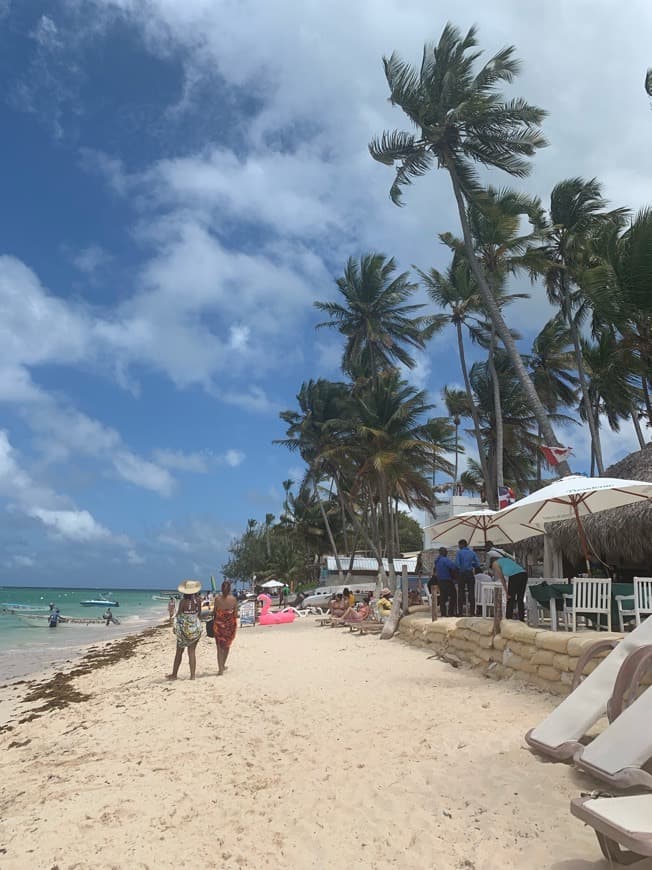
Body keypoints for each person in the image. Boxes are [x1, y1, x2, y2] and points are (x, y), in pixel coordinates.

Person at [167, 579, 203, 680]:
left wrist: (175, 626)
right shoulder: (199, 600)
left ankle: (174, 674)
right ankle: (192, 676)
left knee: (179, 652)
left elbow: (179, 614)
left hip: (184, 630)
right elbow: (199, 614)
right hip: (195, 628)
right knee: (192, 652)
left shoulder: (183, 601)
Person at [490, 555, 528, 621]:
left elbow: (502, 578)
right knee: (520, 598)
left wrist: (507, 592)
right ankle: (521, 618)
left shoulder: (495, 564)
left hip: (514, 576)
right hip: (524, 574)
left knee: (510, 599)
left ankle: (508, 618)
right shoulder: (506, 560)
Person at [212, 579, 239, 676]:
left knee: (219, 648)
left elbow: (214, 613)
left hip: (218, 627)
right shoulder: (234, 600)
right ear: (230, 589)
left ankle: (220, 670)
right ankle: (222, 665)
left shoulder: (217, 599)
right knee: (226, 646)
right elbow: (235, 614)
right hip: (229, 627)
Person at [455, 539, 480, 617]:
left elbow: (457, 564)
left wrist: (461, 568)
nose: (458, 547)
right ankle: (472, 612)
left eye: (459, 545)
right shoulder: (472, 553)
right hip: (470, 574)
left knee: (461, 593)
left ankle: (460, 612)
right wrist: (472, 565)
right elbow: (477, 564)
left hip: (462, 574)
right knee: (471, 593)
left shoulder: (459, 553)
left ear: (462, 545)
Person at [433, 547, 457, 617]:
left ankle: (443, 613)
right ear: (443, 552)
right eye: (446, 552)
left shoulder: (437, 560)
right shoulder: (444, 560)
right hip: (447, 579)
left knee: (443, 597)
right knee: (453, 596)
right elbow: (453, 567)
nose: (447, 553)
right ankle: (451, 612)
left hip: (440, 580)